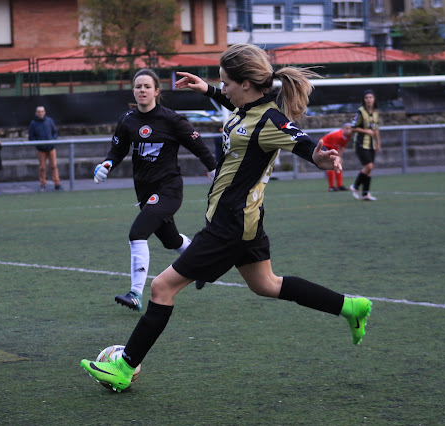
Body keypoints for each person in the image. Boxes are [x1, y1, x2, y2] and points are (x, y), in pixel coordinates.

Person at [81, 44, 373, 392]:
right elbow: (235, 105)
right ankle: (350, 307)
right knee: (266, 284)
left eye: (226, 82)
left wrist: (320, 156)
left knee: (161, 287)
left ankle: (124, 367)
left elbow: (301, 140)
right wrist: (207, 90)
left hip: (230, 225)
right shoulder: (248, 108)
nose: (225, 89)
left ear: (246, 84)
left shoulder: (269, 119)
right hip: (244, 220)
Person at [93, 68, 217, 311]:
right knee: (171, 241)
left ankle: (135, 294)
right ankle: (204, 265)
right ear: (133, 91)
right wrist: (106, 164)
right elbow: (116, 151)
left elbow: (198, 146)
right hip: (144, 192)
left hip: (169, 189)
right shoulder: (127, 120)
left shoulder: (171, 119)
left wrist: (214, 171)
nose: (142, 90)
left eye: (147, 86)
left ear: (156, 91)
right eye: (138, 86)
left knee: (137, 234)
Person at [349, 89, 381, 201]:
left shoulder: (376, 112)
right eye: (366, 98)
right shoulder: (360, 112)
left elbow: (376, 129)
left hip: (371, 144)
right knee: (369, 166)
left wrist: (378, 143)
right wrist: (366, 131)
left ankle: (365, 194)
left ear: (374, 99)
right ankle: (355, 186)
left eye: (371, 97)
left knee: (369, 169)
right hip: (361, 143)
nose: (369, 100)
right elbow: (353, 128)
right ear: (363, 100)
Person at [29, 106, 62, 191]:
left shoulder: (49, 121)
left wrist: (52, 140)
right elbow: (31, 137)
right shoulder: (33, 123)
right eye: (39, 112)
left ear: (45, 112)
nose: (41, 113)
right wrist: (38, 143)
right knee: (42, 167)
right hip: (41, 149)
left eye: (42, 111)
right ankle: (43, 184)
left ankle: (57, 183)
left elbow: (55, 132)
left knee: (54, 166)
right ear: (36, 113)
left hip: (51, 148)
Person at [320, 123, 353, 191]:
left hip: (331, 149)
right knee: (331, 164)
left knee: (338, 163)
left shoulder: (347, 136)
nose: (349, 130)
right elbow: (333, 148)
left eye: (350, 128)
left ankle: (339, 185)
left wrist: (339, 157)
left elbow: (342, 147)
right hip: (323, 146)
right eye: (347, 128)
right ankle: (331, 187)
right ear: (343, 129)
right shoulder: (337, 135)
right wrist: (336, 158)